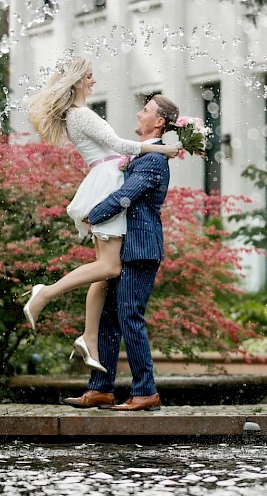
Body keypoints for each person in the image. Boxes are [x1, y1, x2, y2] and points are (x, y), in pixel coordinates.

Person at [23, 56, 180, 372]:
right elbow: (120, 144)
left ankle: (89, 337)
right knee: (109, 267)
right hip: (105, 184)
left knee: (104, 270)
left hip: (105, 180)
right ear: (79, 80)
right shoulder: (80, 115)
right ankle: (45, 294)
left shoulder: (78, 115)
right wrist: (164, 149)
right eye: (91, 77)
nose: (94, 81)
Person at [63, 95, 178, 411]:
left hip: (141, 251)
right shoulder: (139, 155)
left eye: (146, 110)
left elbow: (125, 196)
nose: (139, 113)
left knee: (129, 317)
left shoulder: (154, 160)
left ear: (159, 122)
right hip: (126, 248)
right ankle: (100, 389)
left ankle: (145, 391)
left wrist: (92, 214)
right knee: (109, 319)